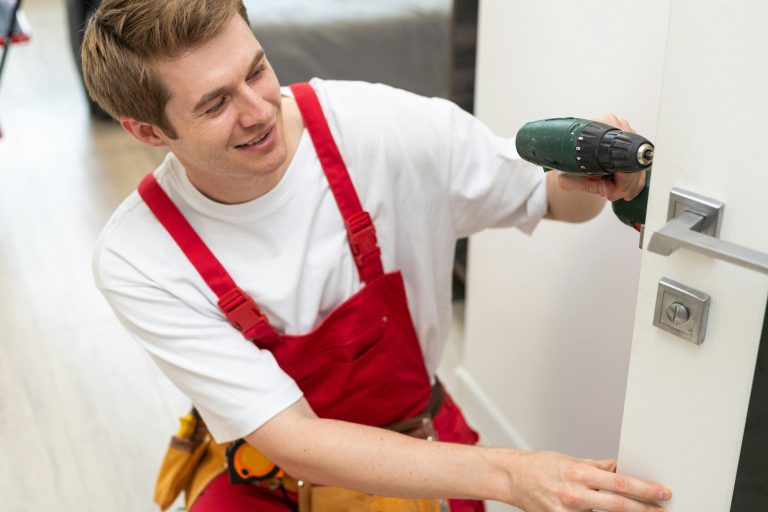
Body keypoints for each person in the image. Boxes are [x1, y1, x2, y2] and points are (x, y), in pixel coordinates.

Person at [82, 1, 670, 511]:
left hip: (420, 448)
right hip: (268, 476)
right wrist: (514, 474)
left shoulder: (376, 128)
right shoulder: (139, 256)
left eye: (257, 70)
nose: (258, 111)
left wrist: (588, 176)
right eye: (214, 105)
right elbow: (294, 439)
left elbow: (550, 199)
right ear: (149, 132)